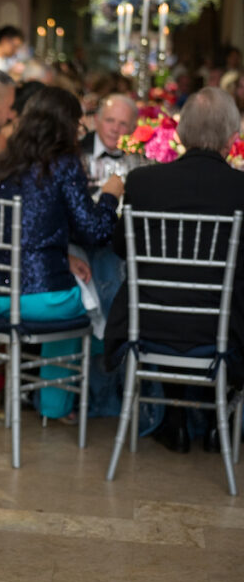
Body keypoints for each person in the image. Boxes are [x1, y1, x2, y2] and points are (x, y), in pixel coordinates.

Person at [104, 87, 244, 453]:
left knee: (172, 296)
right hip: (225, 327)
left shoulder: (144, 183)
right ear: (233, 139)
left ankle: (177, 421)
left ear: (179, 135)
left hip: (151, 322)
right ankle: (222, 417)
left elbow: (120, 247)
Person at [0, 86, 123, 420]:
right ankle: (59, 405)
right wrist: (111, 195)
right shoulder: (64, 165)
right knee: (96, 305)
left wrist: (63, 255)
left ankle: (46, 398)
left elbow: (22, 229)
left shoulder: (0, 164)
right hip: (32, 299)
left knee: (72, 285)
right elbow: (95, 232)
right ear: (67, 126)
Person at [79, 94, 139, 160]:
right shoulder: (78, 150)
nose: (115, 129)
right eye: (110, 120)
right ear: (96, 121)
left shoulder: (139, 156)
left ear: (133, 128)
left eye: (123, 124)